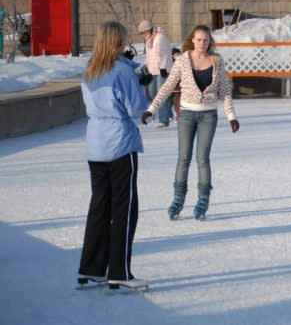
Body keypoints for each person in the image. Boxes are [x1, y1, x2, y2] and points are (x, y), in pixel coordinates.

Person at [78, 20, 149, 290]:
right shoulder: (122, 71)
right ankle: (119, 271)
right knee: (125, 209)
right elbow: (137, 110)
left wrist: (131, 69)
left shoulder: (90, 70)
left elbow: (116, 73)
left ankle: (91, 268)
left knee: (99, 206)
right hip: (120, 145)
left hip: (95, 145)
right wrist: (141, 83)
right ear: (118, 42)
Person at [143, 25, 240, 220]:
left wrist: (231, 116)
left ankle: (203, 198)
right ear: (192, 40)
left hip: (208, 115)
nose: (202, 43)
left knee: (203, 158)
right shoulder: (182, 60)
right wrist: (151, 109)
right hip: (186, 114)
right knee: (184, 157)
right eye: (199, 39)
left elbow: (224, 90)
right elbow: (168, 85)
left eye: (205, 40)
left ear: (209, 41)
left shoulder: (217, 61)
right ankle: (178, 197)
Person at [138, 20, 173, 127]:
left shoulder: (160, 38)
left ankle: (164, 120)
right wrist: (145, 66)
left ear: (148, 30)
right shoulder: (149, 40)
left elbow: (166, 54)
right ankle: (168, 113)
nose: (142, 34)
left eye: (143, 32)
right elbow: (149, 56)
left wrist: (163, 68)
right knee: (152, 93)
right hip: (152, 70)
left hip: (162, 70)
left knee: (160, 94)